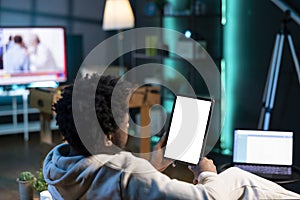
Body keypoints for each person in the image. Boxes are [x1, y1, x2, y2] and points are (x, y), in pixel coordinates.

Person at [43, 74, 300, 199]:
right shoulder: (126, 174)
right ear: (109, 135)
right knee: (237, 178)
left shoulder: (57, 168)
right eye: (125, 121)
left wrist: (154, 163)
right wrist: (207, 173)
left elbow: (106, 176)